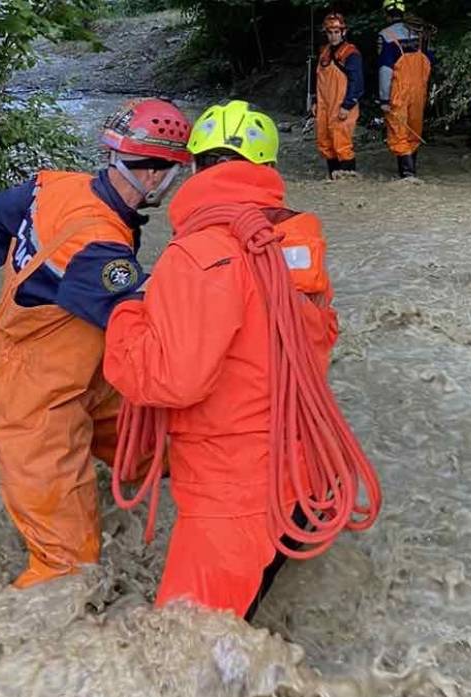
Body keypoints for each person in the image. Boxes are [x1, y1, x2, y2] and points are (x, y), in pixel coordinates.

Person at [103, 101, 362, 619]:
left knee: (186, 648)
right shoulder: (296, 240)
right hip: (303, 475)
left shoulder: (198, 253)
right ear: (267, 170)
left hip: (231, 490)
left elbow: (171, 380)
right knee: (243, 617)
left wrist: (127, 315)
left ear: (195, 165)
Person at [0, 98, 192, 588]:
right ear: (161, 175)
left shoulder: (53, 188)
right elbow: (148, 322)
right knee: (68, 569)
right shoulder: (98, 247)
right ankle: (37, 631)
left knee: (167, 451)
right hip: (35, 397)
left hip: (87, 374)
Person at [377, 0, 434, 178]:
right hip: (419, 91)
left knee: (398, 131)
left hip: (398, 91)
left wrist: (384, 99)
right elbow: (430, 61)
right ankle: (411, 172)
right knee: (414, 129)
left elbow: (385, 70)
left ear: (386, 13)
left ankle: (407, 175)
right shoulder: (419, 33)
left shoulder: (385, 36)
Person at [314, 12, 364, 180]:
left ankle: (348, 180)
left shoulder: (350, 53)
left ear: (343, 32)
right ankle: (333, 179)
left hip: (343, 106)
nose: (333, 36)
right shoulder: (324, 52)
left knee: (342, 144)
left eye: (336, 32)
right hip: (324, 107)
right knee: (325, 143)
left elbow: (357, 83)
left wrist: (347, 105)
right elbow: (318, 80)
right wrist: (314, 100)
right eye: (330, 32)